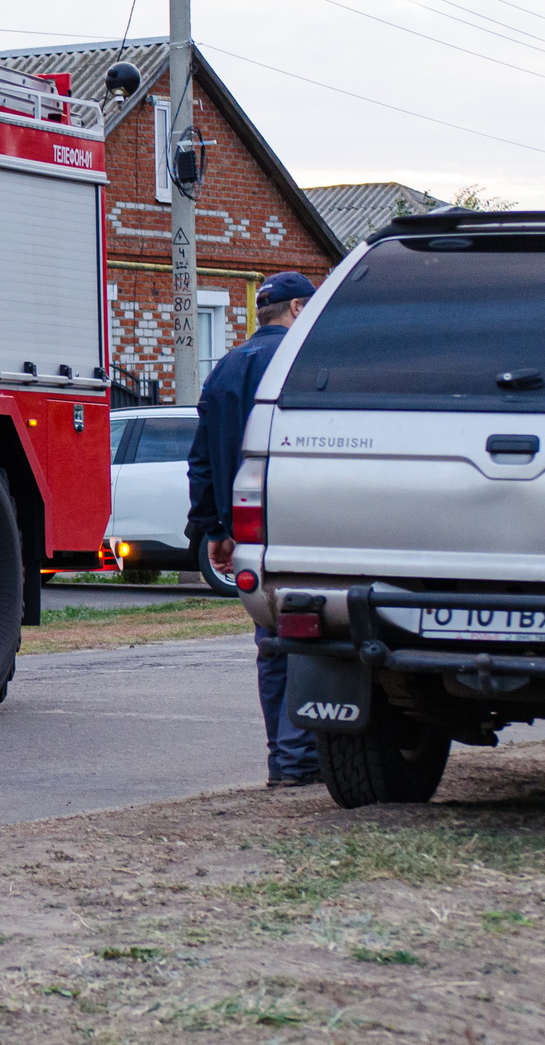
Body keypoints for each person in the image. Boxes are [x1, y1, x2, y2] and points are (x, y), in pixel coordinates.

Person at [187, 269, 318, 788]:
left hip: (249, 525)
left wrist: (212, 527)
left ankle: (282, 759)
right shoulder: (299, 361)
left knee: (271, 639)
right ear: (297, 311)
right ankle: (301, 758)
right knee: (311, 633)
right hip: (300, 518)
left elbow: (201, 459)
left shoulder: (225, 368)